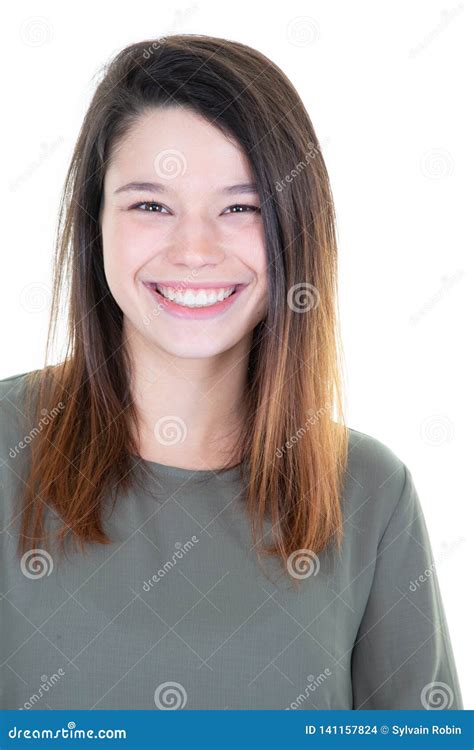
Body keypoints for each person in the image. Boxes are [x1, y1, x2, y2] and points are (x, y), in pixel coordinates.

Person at [0, 34, 463, 711]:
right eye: (150, 205)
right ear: (95, 224)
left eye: (241, 207)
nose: (195, 249)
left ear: (294, 230)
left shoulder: (371, 493)